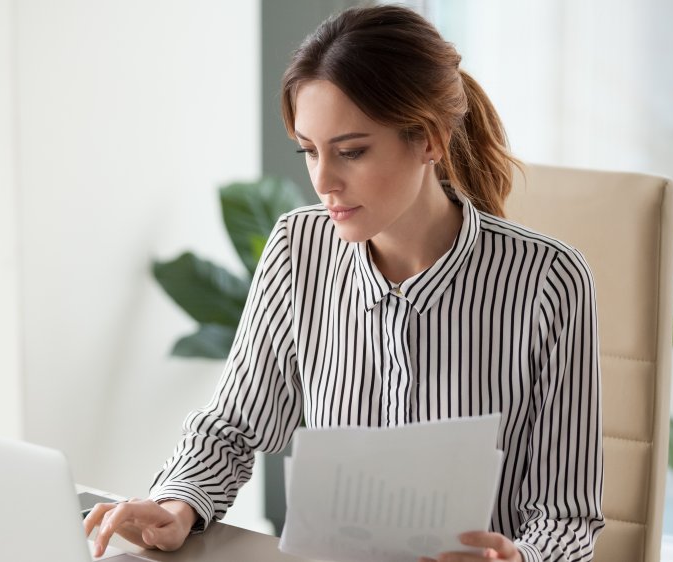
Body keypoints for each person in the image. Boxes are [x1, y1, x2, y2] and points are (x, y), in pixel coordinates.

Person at [85, 5, 604, 561]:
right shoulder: (297, 250)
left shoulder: (550, 281)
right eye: (309, 151)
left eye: (352, 152)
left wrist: (518, 559)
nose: (323, 181)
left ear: (428, 139)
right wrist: (178, 503)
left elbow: (565, 517)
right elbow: (233, 426)